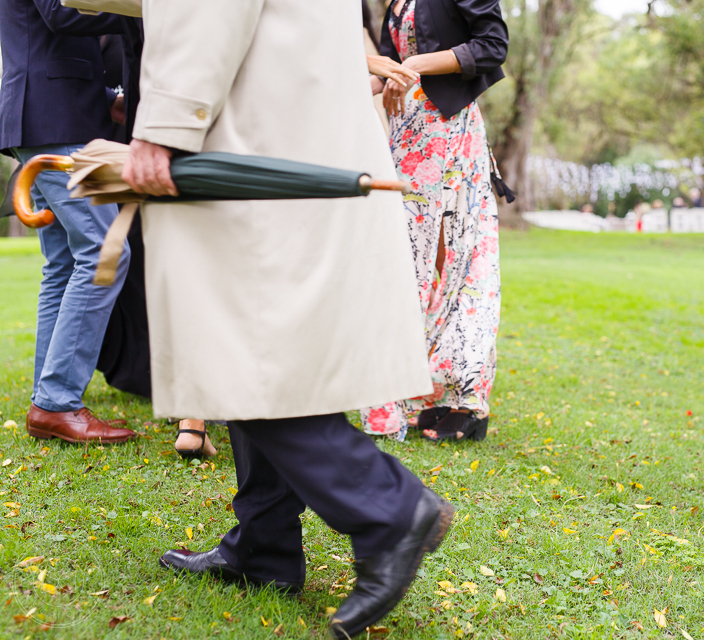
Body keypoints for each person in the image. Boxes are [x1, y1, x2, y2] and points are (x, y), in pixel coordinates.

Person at [69, 0, 453, 635]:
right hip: (279, 117)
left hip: (253, 129)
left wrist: (163, 125)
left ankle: (389, 508)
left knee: (238, 348)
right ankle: (265, 546)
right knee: (266, 341)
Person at [361, 0, 508, 443]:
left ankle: (465, 397)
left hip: (449, 131)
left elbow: (492, 45)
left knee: (460, 260)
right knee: (408, 260)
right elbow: (388, 69)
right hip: (408, 131)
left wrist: (415, 65)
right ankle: (426, 392)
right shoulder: (392, 2)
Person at [0, 0, 135, 444]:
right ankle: (57, 400)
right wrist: (149, 9)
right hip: (54, 117)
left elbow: (47, 34)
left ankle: (49, 399)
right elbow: (61, 12)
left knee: (63, 263)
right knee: (104, 252)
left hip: (53, 114)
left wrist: (104, 98)